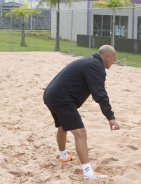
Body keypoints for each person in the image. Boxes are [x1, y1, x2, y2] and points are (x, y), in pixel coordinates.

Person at [43, 45, 120, 181]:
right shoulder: (96, 66)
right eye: (113, 59)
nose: (113, 62)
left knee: (63, 126)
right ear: (107, 57)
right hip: (61, 98)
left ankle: (63, 156)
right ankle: (88, 173)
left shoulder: (89, 62)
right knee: (80, 133)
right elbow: (100, 94)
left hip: (50, 94)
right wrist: (110, 117)